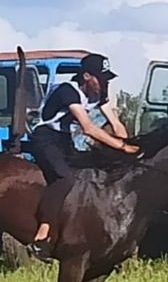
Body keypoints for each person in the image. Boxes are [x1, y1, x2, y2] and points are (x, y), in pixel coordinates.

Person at [27, 53, 138, 260]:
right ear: (87, 76)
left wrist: (128, 144)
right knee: (65, 178)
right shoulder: (68, 91)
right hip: (45, 138)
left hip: (64, 138)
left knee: (90, 170)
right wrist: (121, 147)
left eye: (107, 79)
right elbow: (88, 128)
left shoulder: (100, 92)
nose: (104, 83)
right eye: (101, 78)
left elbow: (115, 124)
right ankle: (42, 234)